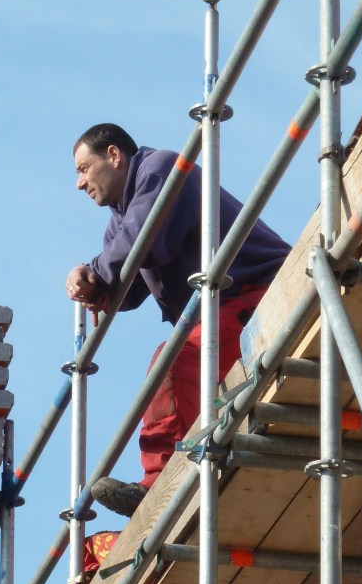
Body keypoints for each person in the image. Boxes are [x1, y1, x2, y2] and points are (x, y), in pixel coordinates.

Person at [67, 123, 290, 517]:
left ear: (114, 156)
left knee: (172, 363)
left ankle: (160, 483)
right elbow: (129, 280)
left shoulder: (162, 168)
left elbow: (138, 241)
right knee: (175, 362)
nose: (79, 183)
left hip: (259, 291)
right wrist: (98, 288)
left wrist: (91, 271)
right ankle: (173, 471)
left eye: (84, 168)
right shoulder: (118, 223)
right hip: (221, 306)